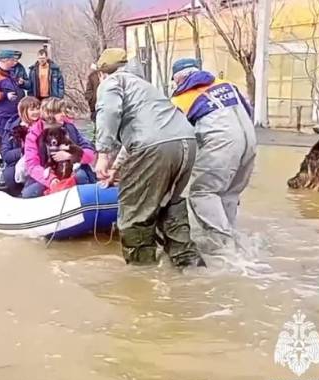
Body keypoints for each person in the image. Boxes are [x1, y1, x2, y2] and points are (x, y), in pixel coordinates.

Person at [94, 48, 204, 268]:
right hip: (186, 143)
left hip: (154, 147)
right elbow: (146, 133)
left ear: (102, 73)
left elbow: (109, 112)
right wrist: (117, 168)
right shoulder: (147, 88)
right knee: (170, 206)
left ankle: (142, 277)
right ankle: (189, 266)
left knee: (134, 216)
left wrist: (103, 154)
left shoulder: (112, 82)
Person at [171, 58, 256, 255]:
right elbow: (248, 110)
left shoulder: (181, 100)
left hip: (222, 144)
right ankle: (236, 243)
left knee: (202, 193)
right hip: (249, 140)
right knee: (229, 193)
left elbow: (172, 138)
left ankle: (224, 250)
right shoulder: (228, 85)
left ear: (177, 80)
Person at [23, 97, 96, 198]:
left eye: (63, 111)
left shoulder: (70, 128)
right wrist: (51, 179)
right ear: (49, 114)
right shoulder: (34, 135)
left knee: (81, 176)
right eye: (59, 112)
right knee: (30, 193)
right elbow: (32, 165)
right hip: (47, 172)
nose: (63, 114)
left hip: (72, 170)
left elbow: (90, 151)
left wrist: (71, 155)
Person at [0, 50, 25, 149]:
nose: (14, 62)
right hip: (0, 116)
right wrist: (5, 95)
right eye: (12, 60)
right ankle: (1, 161)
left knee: (12, 140)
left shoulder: (11, 73)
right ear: (5, 60)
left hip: (12, 114)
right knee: (1, 141)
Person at [1, 96, 41, 195]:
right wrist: (24, 150)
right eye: (32, 109)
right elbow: (6, 154)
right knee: (9, 176)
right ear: (23, 111)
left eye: (38, 108)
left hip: (39, 160)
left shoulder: (44, 125)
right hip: (17, 161)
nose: (36, 112)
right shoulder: (12, 128)